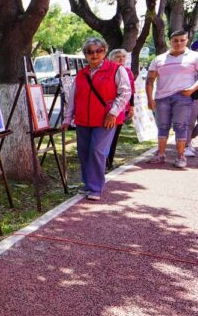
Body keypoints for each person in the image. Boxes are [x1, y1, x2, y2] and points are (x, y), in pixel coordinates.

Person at [62, 37, 131, 201]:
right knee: (84, 152)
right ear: (85, 54)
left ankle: (95, 187)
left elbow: (125, 93)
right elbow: (73, 97)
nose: (94, 55)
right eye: (90, 52)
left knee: (97, 152)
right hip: (83, 120)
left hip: (105, 120)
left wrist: (113, 113)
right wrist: (67, 118)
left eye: (98, 51)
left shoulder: (116, 70)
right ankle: (87, 183)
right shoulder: (81, 73)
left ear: (105, 51)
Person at [146, 30, 198, 168]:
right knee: (162, 127)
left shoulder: (195, 57)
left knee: (180, 126)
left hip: (183, 97)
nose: (179, 43)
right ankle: (160, 154)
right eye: (176, 40)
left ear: (187, 40)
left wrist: (192, 89)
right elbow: (150, 80)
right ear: (170, 41)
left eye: (182, 40)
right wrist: (150, 99)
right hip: (162, 97)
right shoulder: (159, 59)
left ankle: (181, 157)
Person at [105, 49, 136, 169]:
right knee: (105, 135)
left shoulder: (128, 71)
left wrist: (132, 107)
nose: (121, 59)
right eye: (118, 56)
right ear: (111, 58)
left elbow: (131, 91)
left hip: (121, 108)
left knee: (114, 136)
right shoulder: (107, 70)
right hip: (108, 107)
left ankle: (109, 162)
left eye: (123, 56)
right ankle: (103, 160)